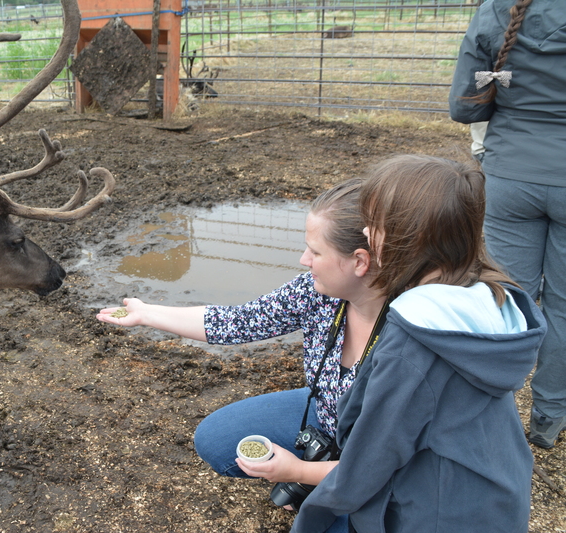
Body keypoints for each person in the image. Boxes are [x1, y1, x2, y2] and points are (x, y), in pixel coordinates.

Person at [96, 178, 386, 533]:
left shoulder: (407, 338)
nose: (303, 259)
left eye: (316, 251)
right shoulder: (318, 292)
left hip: (382, 459)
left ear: (359, 261)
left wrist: (298, 471)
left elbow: (384, 463)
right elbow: (238, 321)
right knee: (216, 439)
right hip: (328, 415)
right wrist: (148, 314)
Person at [293, 155, 547, 533]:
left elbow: (371, 460)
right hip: (495, 492)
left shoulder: (413, 341)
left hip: (433, 513)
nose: (364, 230)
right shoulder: (485, 299)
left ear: (407, 237)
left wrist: (310, 514)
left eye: (374, 224)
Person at [449, 0, 566, 448]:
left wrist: (510, 88)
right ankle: (548, 420)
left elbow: (465, 106)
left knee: (504, 297)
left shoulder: (500, 9)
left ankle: (484, 415)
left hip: (512, 178)